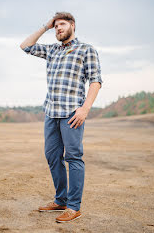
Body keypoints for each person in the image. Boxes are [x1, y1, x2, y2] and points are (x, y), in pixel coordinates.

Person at [20, 12, 103, 223]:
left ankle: (74, 207)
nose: (58, 28)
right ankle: (61, 199)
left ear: (72, 26)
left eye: (62, 24)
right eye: (56, 26)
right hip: (51, 113)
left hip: (72, 114)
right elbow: (25, 46)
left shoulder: (86, 50)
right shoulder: (52, 50)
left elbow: (95, 80)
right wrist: (45, 26)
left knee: (73, 158)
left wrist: (85, 109)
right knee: (51, 156)